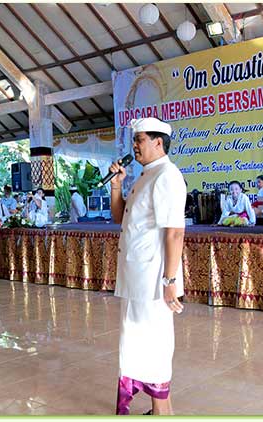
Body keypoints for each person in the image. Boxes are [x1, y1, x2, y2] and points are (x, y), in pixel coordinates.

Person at [109, 117, 185, 415]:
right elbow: (120, 217)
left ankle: (163, 412)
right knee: (140, 343)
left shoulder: (167, 175)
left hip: (154, 280)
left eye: (139, 140)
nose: (135, 146)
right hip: (138, 278)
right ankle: (160, 410)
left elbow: (175, 232)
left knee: (153, 344)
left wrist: (169, 283)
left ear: (158, 142)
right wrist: (117, 186)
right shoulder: (146, 175)